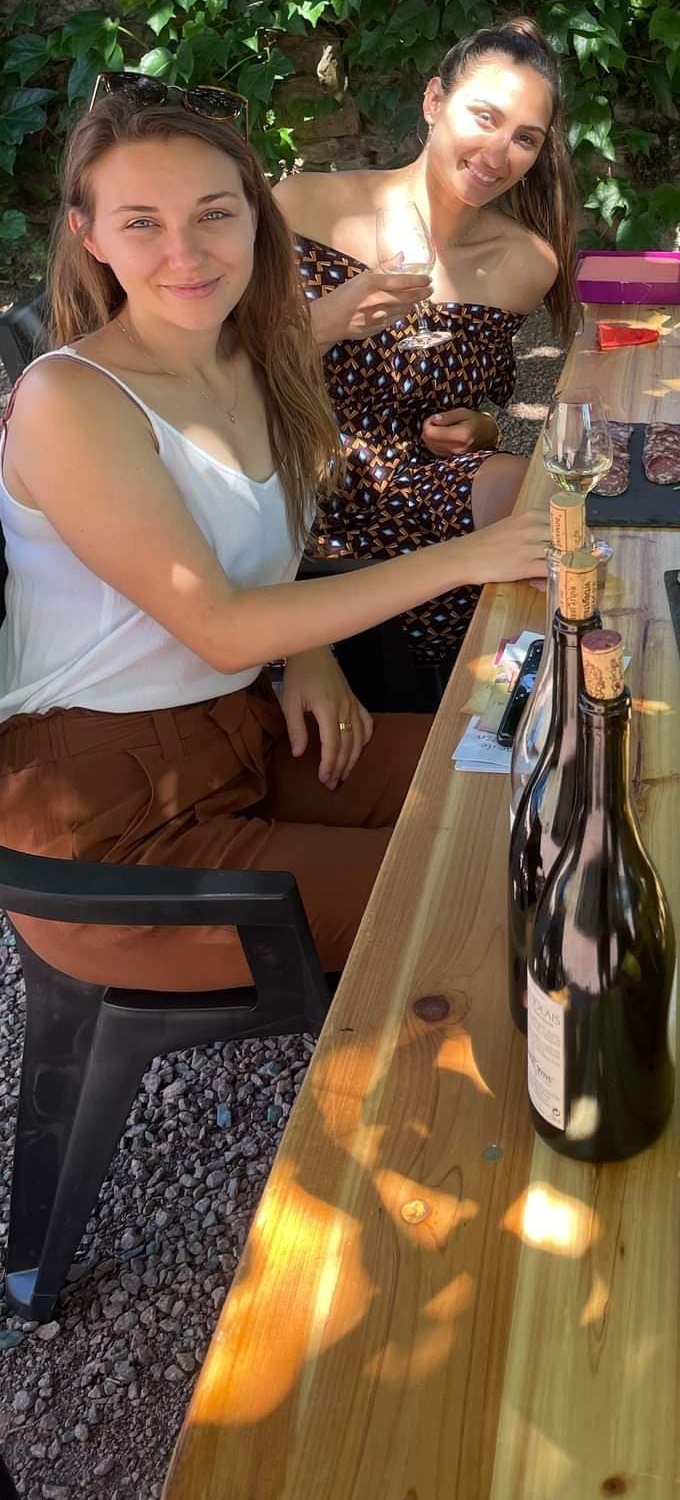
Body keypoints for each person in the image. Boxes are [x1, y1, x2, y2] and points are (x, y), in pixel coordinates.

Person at [0, 91, 546, 994]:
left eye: (214, 214)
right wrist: (470, 556)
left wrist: (312, 654)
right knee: (492, 892)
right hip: (115, 828)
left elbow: (263, 551)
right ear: (89, 235)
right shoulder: (73, 401)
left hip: (245, 731)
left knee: (542, 777)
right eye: (143, 222)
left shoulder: (250, 366)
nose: (186, 253)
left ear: (258, 217)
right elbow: (218, 625)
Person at [274, 22, 578, 664]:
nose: (498, 153)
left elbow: (477, 409)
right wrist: (329, 321)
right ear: (434, 100)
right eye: (484, 117)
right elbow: (217, 370)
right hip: (291, 485)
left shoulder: (525, 264)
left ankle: (507, 690)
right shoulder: (302, 206)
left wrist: (480, 431)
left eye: (524, 138)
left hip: (415, 489)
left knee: (543, 505)